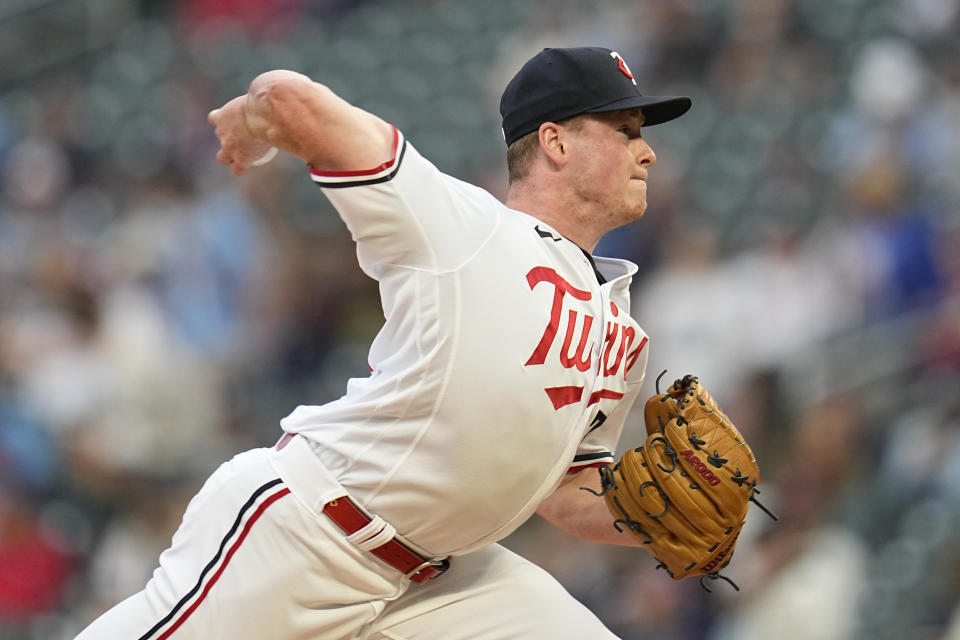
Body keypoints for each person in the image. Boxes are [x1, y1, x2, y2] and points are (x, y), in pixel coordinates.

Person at [74, 46, 691, 640]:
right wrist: (252, 120)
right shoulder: (467, 226)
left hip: (446, 579)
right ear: (556, 141)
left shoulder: (619, 328)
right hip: (312, 536)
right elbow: (289, 97)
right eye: (627, 129)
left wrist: (659, 514)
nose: (648, 153)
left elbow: (564, 491)